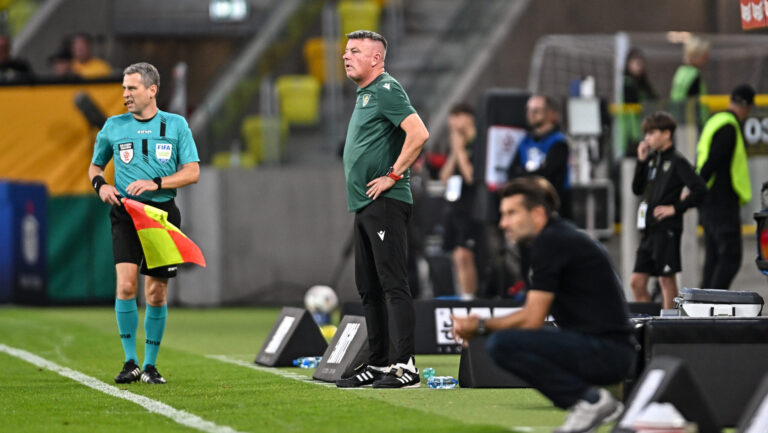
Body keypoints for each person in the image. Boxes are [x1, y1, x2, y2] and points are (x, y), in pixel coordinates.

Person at [452, 177, 635, 433]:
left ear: (537, 213)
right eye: (503, 214)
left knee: (501, 345)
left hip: (609, 352)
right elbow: (534, 310)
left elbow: (532, 319)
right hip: (600, 346)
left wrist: (481, 326)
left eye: (511, 213)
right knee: (508, 341)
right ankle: (587, 405)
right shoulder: (546, 241)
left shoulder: (554, 241)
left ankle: (589, 401)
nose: (503, 223)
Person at [88, 62, 200, 384]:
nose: (125, 94)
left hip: (161, 215)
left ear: (152, 90)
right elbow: (95, 167)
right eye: (124, 88)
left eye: (132, 88)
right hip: (125, 213)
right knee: (126, 286)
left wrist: (157, 182)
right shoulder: (113, 126)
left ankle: (150, 366)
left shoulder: (176, 125)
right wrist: (101, 186)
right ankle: (130, 362)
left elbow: (192, 172)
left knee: (156, 293)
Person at [337, 30, 429, 389]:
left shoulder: (386, 89)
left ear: (376, 59)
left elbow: (418, 133)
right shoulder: (366, 94)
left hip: (386, 203)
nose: (346, 56)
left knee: (393, 283)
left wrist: (393, 175)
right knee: (368, 287)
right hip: (366, 205)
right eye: (346, 51)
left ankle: (406, 365)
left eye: (355, 51)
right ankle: (378, 363)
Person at [630, 112, 706, 309]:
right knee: (637, 282)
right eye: (646, 133)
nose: (647, 138)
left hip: (667, 229)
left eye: (651, 133)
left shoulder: (677, 161)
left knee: (666, 279)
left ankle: (669, 322)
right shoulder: (652, 160)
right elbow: (637, 189)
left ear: (666, 134)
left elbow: (700, 189)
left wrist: (675, 208)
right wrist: (641, 161)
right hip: (649, 229)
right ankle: (648, 320)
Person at [696, 84, 755, 290]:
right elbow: (713, 160)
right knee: (730, 257)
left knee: (713, 258)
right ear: (747, 107)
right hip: (721, 202)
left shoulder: (715, 121)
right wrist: (695, 186)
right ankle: (714, 300)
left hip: (709, 200)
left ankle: (705, 301)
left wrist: (696, 188)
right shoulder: (729, 127)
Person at [438, 103, 482, 300]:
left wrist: (461, 150)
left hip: (472, 206)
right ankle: (462, 294)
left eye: (456, 116)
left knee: (465, 253)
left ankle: (471, 297)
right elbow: (444, 176)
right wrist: (455, 151)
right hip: (454, 206)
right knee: (456, 254)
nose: (452, 122)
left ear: (468, 117)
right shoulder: (455, 144)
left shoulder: (478, 142)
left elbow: (471, 176)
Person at [507, 94, 571, 219]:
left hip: (552, 209)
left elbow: (547, 175)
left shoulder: (558, 142)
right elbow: (511, 172)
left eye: (536, 111)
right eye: (529, 110)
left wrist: (524, 175)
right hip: (527, 207)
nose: (531, 114)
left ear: (552, 114)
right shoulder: (525, 141)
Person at [620, 48, 657, 156]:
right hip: (632, 132)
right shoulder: (628, 83)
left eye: (640, 63)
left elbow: (653, 98)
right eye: (636, 63)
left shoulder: (643, 84)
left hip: (643, 128)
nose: (639, 66)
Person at [670, 36, 710, 125]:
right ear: (696, 56)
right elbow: (695, 103)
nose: (706, 59)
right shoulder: (694, 75)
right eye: (704, 56)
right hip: (691, 122)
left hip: (679, 119)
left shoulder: (681, 72)